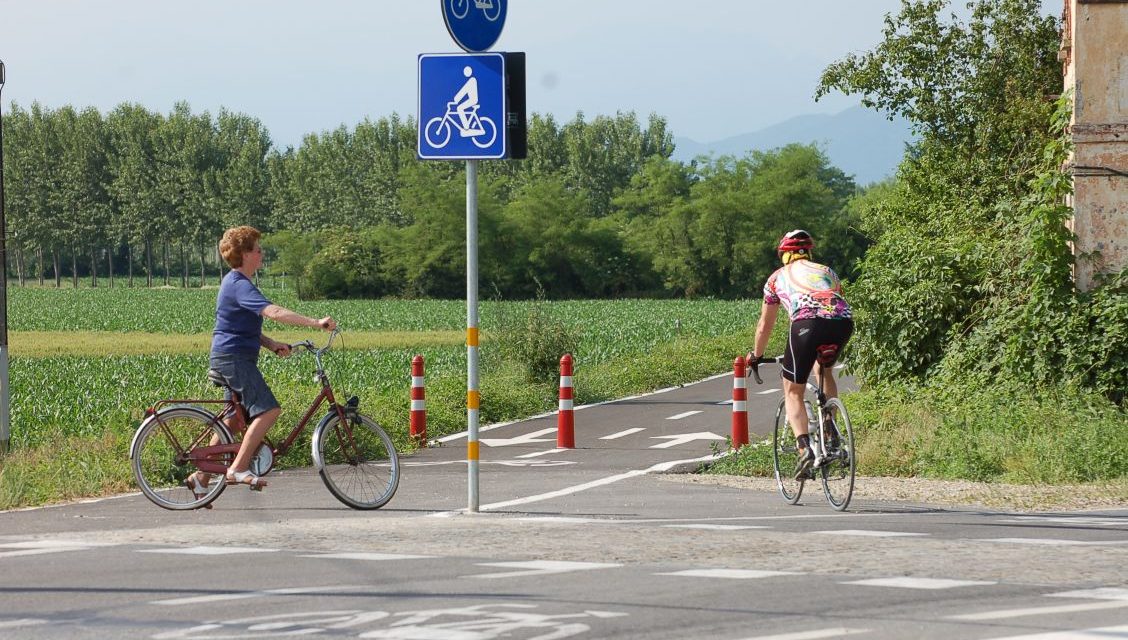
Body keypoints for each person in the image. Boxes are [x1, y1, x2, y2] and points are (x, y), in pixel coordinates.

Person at [187, 226, 335, 497]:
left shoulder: (237, 284)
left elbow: (242, 327)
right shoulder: (239, 284)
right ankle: (239, 468)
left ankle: (200, 477)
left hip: (231, 355)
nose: (261, 254)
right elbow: (274, 312)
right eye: (257, 250)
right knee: (268, 410)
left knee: (234, 421)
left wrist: (270, 344)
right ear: (244, 254)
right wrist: (317, 322)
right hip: (234, 359)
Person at [750, 229, 853, 479]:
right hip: (842, 321)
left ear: (784, 255)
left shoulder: (776, 278)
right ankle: (831, 431)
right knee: (824, 369)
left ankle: (804, 448)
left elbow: (765, 324)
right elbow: (836, 300)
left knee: (792, 389)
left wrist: (756, 355)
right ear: (809, 252)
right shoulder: (828, 271)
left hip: (807, 325)